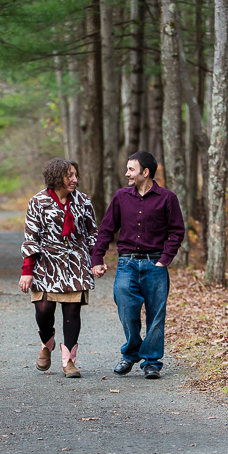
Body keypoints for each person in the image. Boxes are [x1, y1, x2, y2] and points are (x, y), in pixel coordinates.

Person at [91, 150, 185, 379]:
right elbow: (106, 229)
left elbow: (177, 231)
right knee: (126, 309)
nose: (127, 173)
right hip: (127, 264)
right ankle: (131, 353)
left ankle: (152, 362)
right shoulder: (121, 196)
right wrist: (97, 258)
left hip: (155, 265)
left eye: (131, 169)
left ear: (146, 172)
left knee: (156, 315)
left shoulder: (167, 198)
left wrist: (165, 259)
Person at [19, 158, 98, 378]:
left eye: (75, 175)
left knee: (72, 311)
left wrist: (96, 259)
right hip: (46, 264)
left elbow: (92, 233)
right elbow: (30, 237)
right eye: (69, 175)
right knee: (43, 310)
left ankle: (69, 361)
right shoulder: (38, 202)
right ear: (56, 177)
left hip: (76, 264)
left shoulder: (83, 201)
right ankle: (47, 342)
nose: (74, 179)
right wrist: (27, 270)